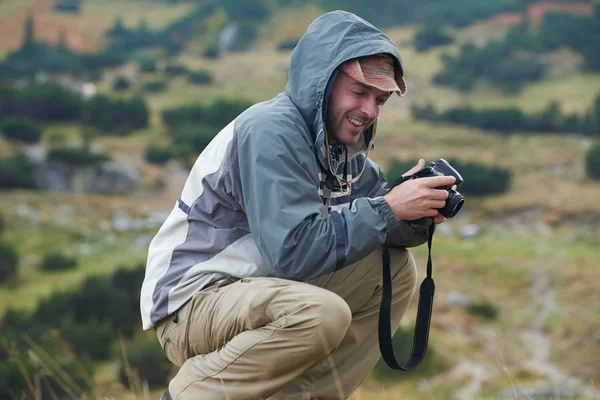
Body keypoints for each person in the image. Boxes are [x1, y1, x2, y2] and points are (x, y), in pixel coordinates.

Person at [140, 10, 456, 400]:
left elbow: (376, 229)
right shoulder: (270, 131)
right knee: (322, 313)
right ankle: (192, 395)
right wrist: (389, 207)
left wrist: (415, 213)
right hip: (191, 302)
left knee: (394, 269)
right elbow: (293, 252)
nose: (370, 112)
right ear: (322, 83)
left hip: (257, 289)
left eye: (380, 100)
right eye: (359, 93)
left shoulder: (344, 152)